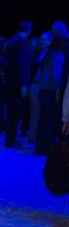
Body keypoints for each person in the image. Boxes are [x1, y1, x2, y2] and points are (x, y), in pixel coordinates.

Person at [35, 22, 67, 155]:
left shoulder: (49, 51)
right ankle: (47, 147)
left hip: (44, 88)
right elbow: (57, 72)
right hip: (52, 88)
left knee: (44, 117)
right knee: (49, 118)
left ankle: (41, 147)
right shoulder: (58, 49)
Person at [4, 21, 32, 148]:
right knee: (16, 113)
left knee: (11, 113)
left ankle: (9, 140)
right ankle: (12, 140)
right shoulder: (21, 43)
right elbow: (22, 65)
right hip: (18, 84)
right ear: (29, 30)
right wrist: (24, 84)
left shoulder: (10, 43)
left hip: (10, 83)